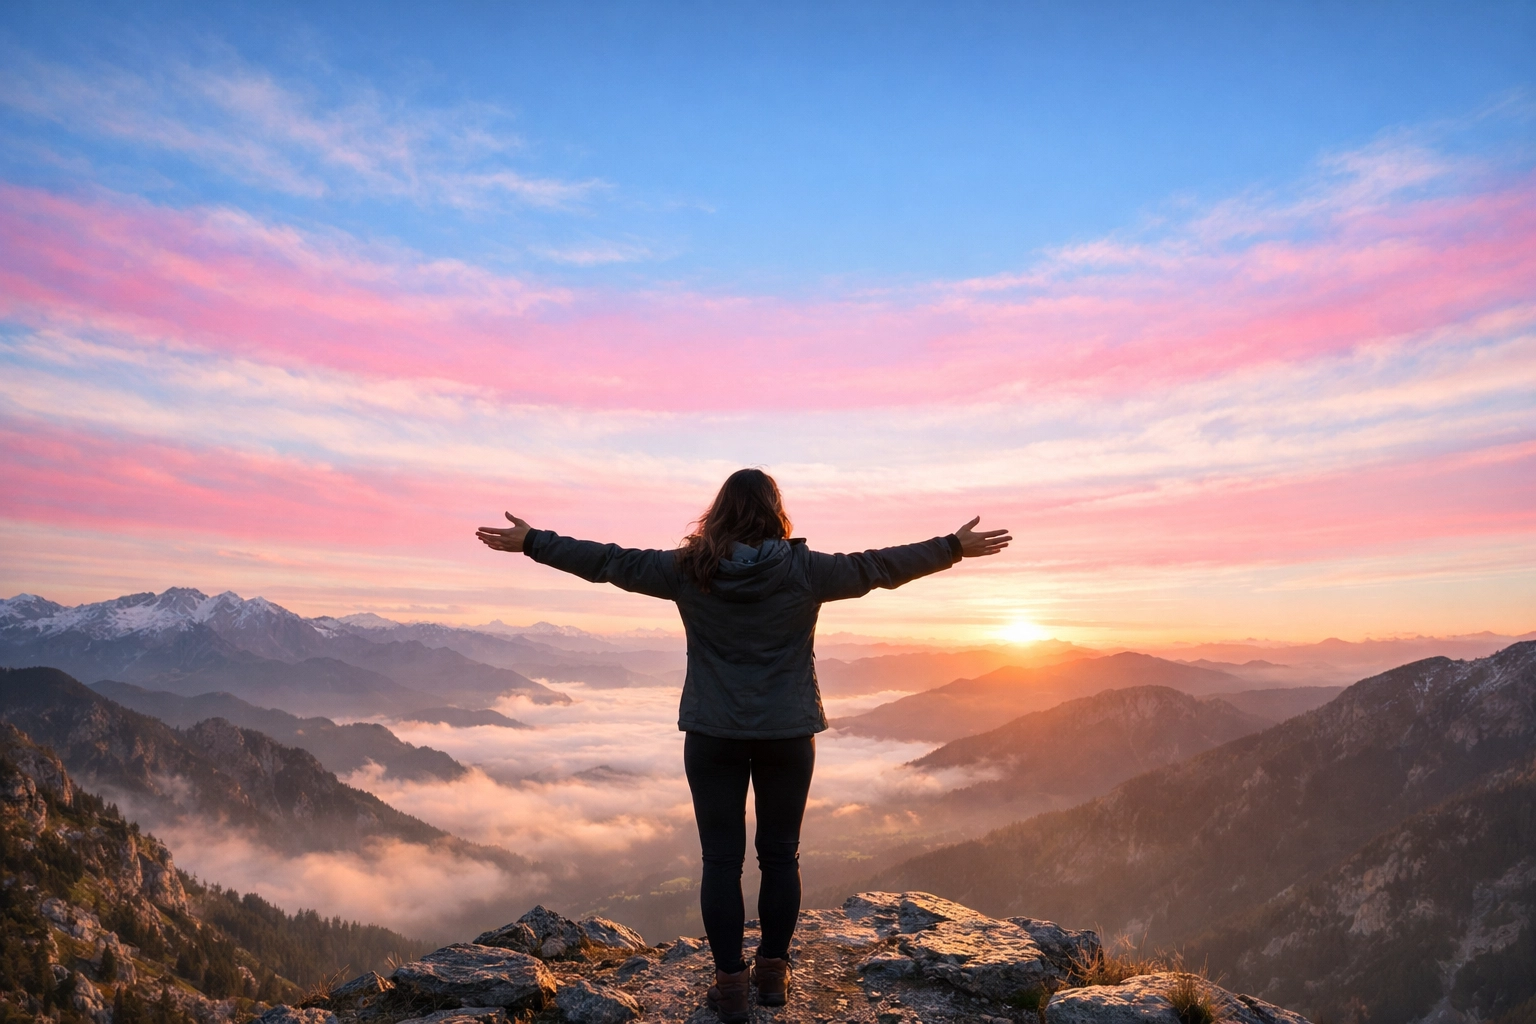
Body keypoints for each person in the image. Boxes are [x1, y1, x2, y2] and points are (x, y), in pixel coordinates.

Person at [475, 469, 1010, 1022]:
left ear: (720, 511)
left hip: (713, 735)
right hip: (787, 733)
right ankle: (773, 975)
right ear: (775, 510)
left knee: (720, 861)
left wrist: (534, 542)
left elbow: (612, 561)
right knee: (781, 856)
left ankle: (730, 986)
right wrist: (952, 548)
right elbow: (877, 567)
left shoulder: (690, 569)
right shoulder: (806, 570)